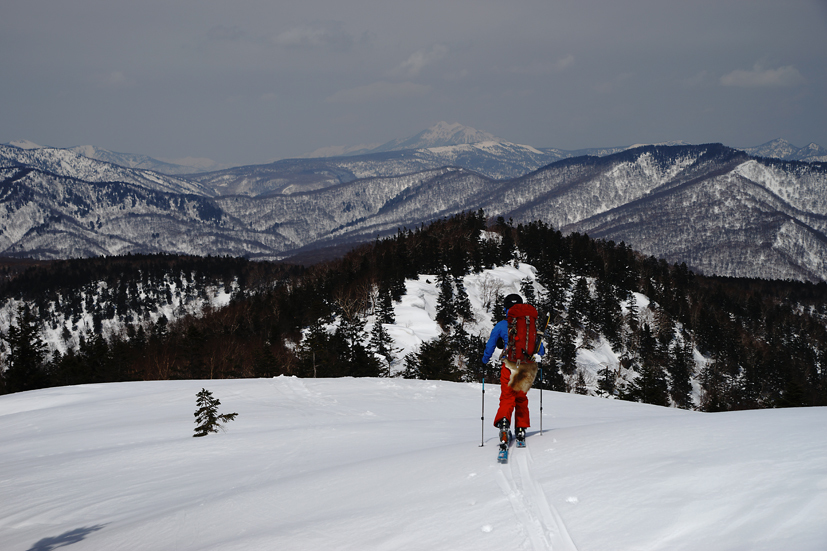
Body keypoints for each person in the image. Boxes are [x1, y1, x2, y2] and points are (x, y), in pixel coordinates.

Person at [481, 293, 544, 448]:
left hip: (509, 366)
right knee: (521, 399)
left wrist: (484, 361)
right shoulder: (530, 325)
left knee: (507, 398)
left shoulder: (502, 325)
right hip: (527, 367)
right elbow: (540, 350)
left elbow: (490, 346)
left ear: (505, 308)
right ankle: (521, 429)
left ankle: (504, 424)